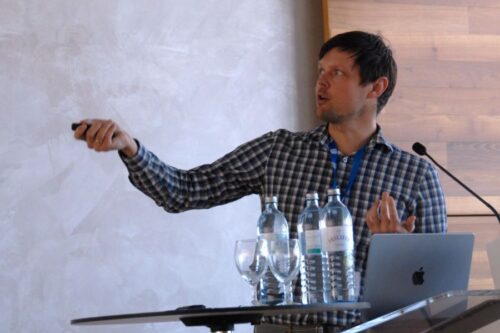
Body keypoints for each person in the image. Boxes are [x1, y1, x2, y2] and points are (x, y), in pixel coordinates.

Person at [74, 31, 447, 332]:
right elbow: (183, 191)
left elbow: (440, 296)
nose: (321, 82)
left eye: (337, 73)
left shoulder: (416, 174)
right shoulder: (277, 150)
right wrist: (131, 148)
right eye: (320, 71)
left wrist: (399, 252)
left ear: (375, 87)